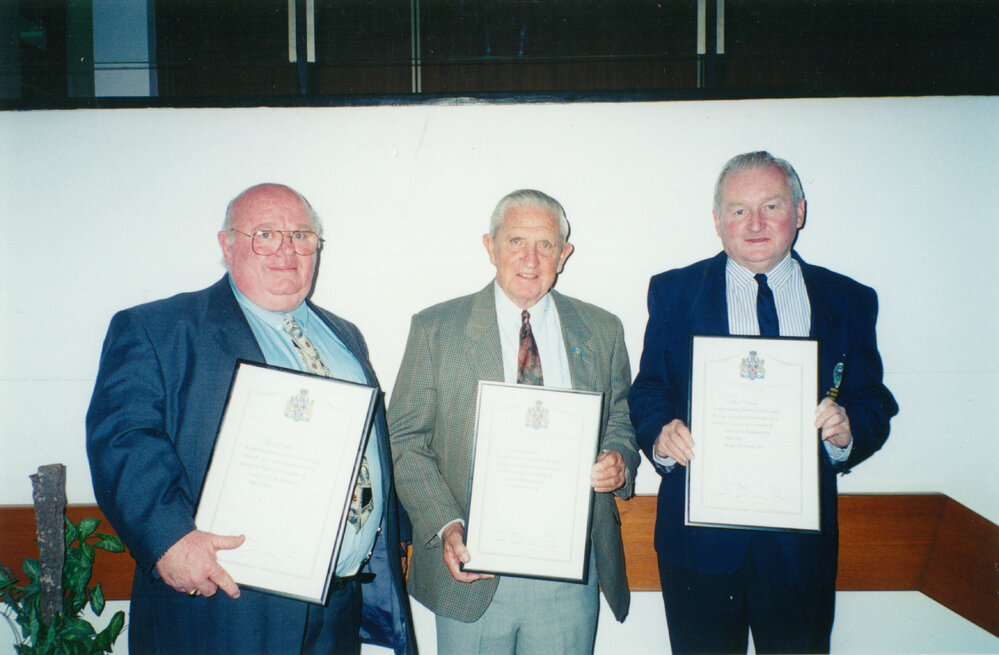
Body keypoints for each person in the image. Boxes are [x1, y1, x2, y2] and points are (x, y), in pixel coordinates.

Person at [86, 183, 415, 655]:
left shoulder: (345, 337)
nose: (287, 250)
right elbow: (122, 442)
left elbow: (369, 450)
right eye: (266, 234)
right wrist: (169, 540)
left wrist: (391, 535)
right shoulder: (160, 328)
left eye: (302, 235)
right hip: (225, 607)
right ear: (227, 244)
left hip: (338, 606)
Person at [629, 151, 898, 654]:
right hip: (698, 547)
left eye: (771, 206)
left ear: (799, 212)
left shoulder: (848, 299)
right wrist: (661, 435)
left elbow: (872, 399)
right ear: (717, 221)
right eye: (737, 210)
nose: (754, 223)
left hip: (799, 549)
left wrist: (846, 431)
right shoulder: (674, 292)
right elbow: (648, 389)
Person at [389, 189, 640, 655]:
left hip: (569, 572)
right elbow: (403, 440)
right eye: (515, 241)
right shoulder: (436, 329)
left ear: (564, 254)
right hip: (471, 567)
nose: (530, 258)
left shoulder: (602, 329)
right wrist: (447, 525)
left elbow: (619, 420)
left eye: (545, 244)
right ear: (490, 246)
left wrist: (619, 462)